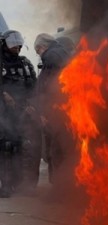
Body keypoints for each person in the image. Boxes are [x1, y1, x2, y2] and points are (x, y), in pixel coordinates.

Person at [0, 30, 40, 197]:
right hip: (3, 115)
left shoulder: (25, 63)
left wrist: (32, 105)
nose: (17, 47)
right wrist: (3, 93)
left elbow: (34, 87)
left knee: (22, 148)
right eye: (13, 44)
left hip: (21, 112)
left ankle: (21, 184)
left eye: (19, 44)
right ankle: (6, 185)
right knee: (5, 148)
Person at [34, 33, 74, 186]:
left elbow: (48, 87)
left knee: (56, 151)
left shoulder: (51, 56)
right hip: (66, 110)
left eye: (38, 51)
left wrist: (43, 111)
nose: (39, 55)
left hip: (56, 112)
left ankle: (59, 187)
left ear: (42, 47)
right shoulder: (63, 53)